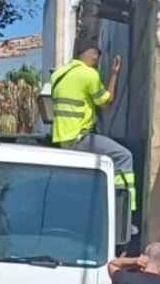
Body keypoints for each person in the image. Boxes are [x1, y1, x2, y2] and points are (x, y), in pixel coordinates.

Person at [50, 44, 136, 222]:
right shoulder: (88, 74)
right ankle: (125, 212)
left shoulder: (58, 75)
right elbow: (105, 101)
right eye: (96, 55)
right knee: (123, 156)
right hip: (80, 138)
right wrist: (114, 74)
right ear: (88, 53)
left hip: (63, 140)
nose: (97, 60)